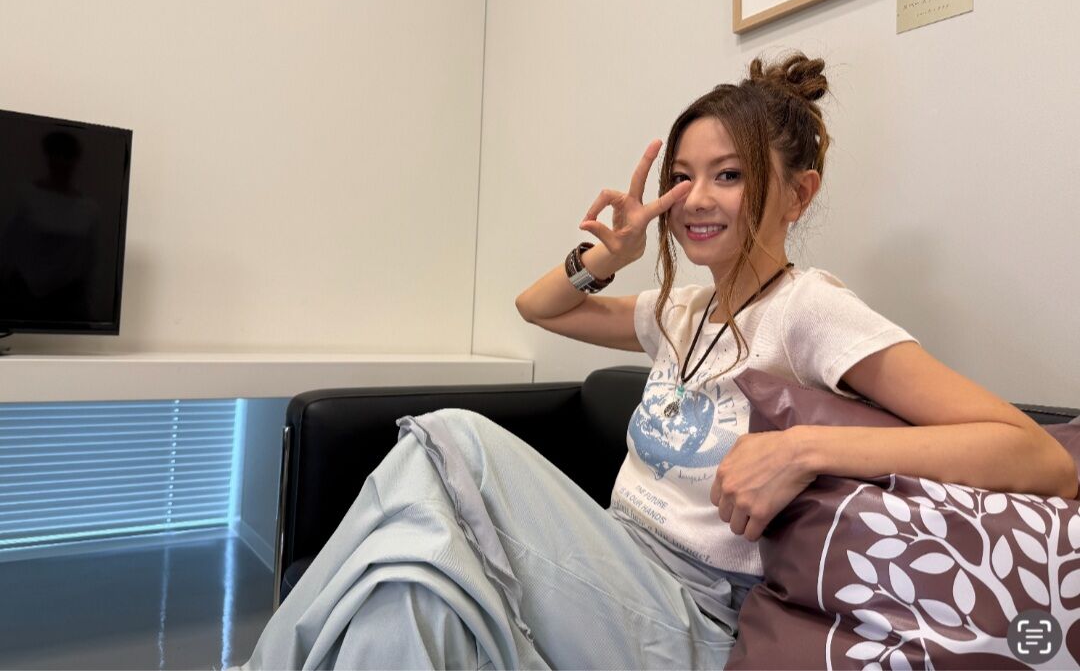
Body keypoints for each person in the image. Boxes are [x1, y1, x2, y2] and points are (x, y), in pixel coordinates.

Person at [238, 53, 1077, 670]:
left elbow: (1039, 457)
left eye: (729, 176)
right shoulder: (681, 310)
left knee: (454, 436)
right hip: (610, 574)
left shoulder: (810, 310)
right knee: (406, 599)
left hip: (693, 621)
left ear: (799, 193)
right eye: (683, 178)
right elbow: (540, 307)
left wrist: (805, 447)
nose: (696, 200)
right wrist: (604, 258)